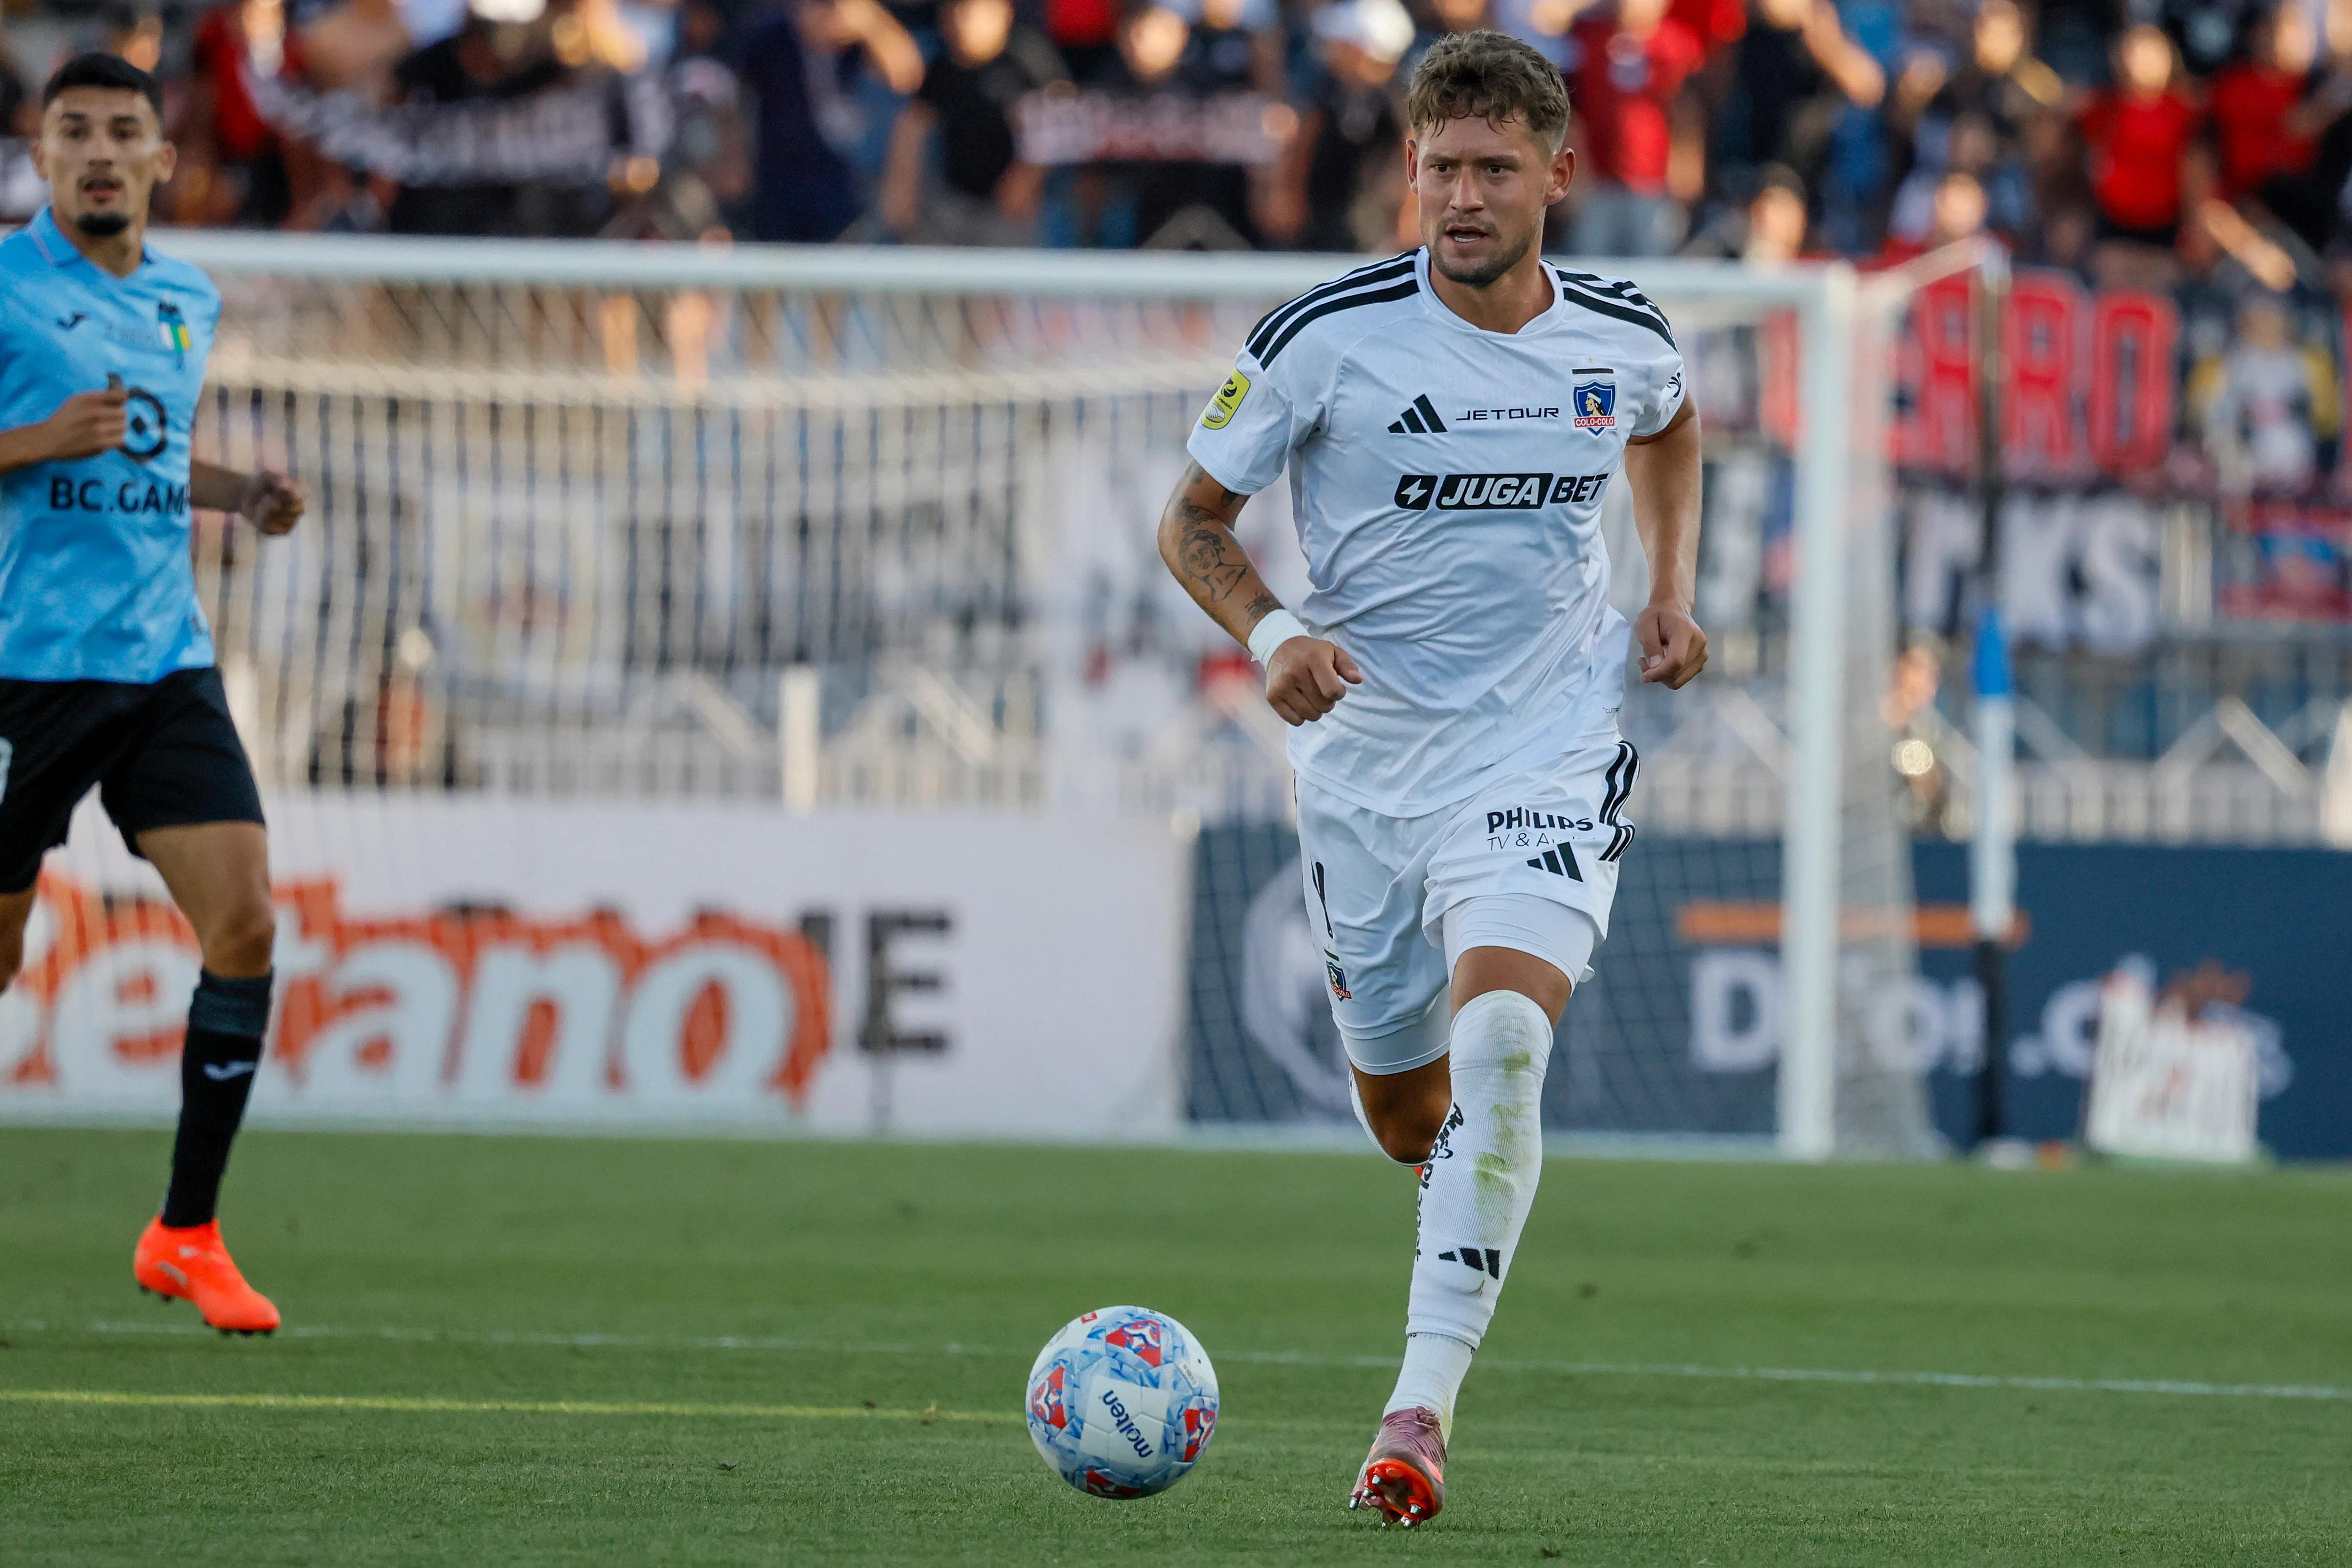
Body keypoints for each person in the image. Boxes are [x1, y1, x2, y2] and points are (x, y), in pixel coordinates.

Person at [1157, 28, 1705, 1525]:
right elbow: (1191, 522)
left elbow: (1669, 427)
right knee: (1412, 1119)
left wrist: (1669, 587)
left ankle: (1417, 1415)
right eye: (1439, 167)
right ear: (1407, 171)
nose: (1461, 195)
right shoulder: (1320, 339)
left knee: (1508, 1048)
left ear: (1557, 177)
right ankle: (1466, 1194)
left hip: (1544, 744)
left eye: (1492, 169)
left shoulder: (1621, 334)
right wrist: (1270, 631)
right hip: (1365, 767)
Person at [0, 53, 307, 1334]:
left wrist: (240, 493)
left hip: (164, 661)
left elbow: (146, 449)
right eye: (75, 133)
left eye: (125, 131)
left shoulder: (189, 294)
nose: (101, 153)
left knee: (244, 924)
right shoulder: (6, 281)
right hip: (25, 672)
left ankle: (186, 1230)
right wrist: (26, 443)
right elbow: (65, 440)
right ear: (39, 150)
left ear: (162, 156)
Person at [878, 0, 1065, 244]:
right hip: (952, 203)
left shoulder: (1026, 61)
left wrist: (1027, 179)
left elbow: (1058, 121)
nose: (961, 21)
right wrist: (901, 189)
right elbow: (912, 127)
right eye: (955, 11)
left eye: (972, 11)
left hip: (1010, 211)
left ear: (1003, 14)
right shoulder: (944, 67)